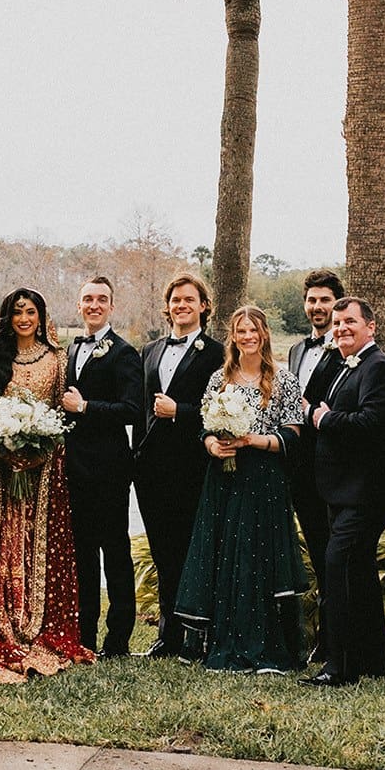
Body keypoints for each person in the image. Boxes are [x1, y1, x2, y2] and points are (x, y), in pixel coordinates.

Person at [0, 288, 92, 674]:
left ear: (41, 317)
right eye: (17, 312)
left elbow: (62, 413)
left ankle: (38, 624)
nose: (24, 318)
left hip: (44, 472)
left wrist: (40, 447)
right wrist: (4, 448)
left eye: (30, 312)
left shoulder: (58, 359)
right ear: (8, 318)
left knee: (37, 541)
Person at [176, 306, 307, 672]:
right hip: (224, 478)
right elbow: (203, 428)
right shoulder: (220, 379)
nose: (247, 337)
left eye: (253, 330)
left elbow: (293, 437)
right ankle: (221, 639)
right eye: (240, 331)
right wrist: (213, 445)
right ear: (232, 336)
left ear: (264, 333)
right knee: (224, 554)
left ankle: (265, 644)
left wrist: (254, 441)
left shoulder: (284, 379)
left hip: (263, 479)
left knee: (256, 556)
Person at [301, 297, 385, 687]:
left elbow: (373, 422)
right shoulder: (346, 365)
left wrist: (326, 418)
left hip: (366, 491)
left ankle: (339, 665)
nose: (341, 328)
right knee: (358, 572)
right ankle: (371, 659)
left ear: (370, 327)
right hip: (340, 490)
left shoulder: (379, 368)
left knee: (339, 566)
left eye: (350, 322)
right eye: (337, 323)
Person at [134, 273, 224, 659]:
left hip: (194, 465)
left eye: (190, 299)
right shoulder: (150, 350)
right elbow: (141, 409)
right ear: (167, 306)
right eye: (175, 300)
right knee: (163, 552)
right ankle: (168, 635)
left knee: (195, 551)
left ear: (204, 306)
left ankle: (199, 636)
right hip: (152, 469)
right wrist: (137, 453)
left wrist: (180, 412)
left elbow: (221, 409)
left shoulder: (216, 352)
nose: (181, 305)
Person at [59, 276, 143, 656]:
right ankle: (84, 633)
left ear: (112, 306)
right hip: (73, 468)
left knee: (115, 551)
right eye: (88, 299)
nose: (94, 305)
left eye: (101, 299)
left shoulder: (123, 353)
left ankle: (118, 637)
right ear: (79, 306)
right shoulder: (70, 349)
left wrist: (87, 408)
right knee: (82, 553)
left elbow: (131, 410)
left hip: (109, 469)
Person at [285, 268, 344, 658]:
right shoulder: (294, 350)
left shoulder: (344, 351)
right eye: (312, 300)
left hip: (332, 467)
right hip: (296, 466)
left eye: (324, 300)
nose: (317, 307)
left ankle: (332, 640)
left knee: (330, 556)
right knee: (313, 551)